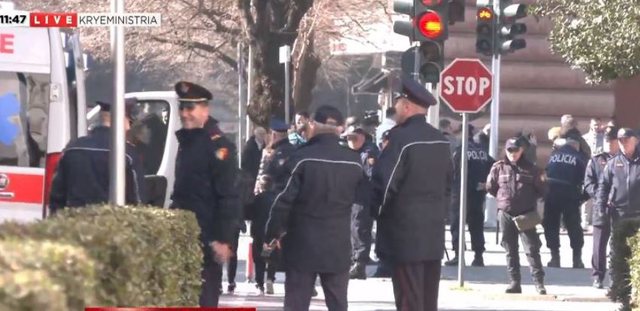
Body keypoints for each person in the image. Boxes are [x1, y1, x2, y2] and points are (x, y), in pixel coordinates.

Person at [264, 105, 364, 311]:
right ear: (340, 128)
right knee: (337, 303)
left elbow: (283, 201)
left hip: (302, 243)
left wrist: (271, 234)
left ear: (313, 125)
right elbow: (365, 202)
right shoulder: (353, 161)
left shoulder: (302, 158)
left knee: (296, 303)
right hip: (338, 244)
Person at [372, 74, 453, 311]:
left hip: (404, 234)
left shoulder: (400, 140)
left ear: (406, 106)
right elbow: (449, 185)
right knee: (428, 300)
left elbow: (385, 186)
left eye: (397, 102)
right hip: (433, 233)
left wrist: (374, 213)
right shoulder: (441, 140)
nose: (394, 107)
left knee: (409, 299)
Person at [168, 81, 241, 307]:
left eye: (190, 108)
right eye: (182, 108)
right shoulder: (189, 141)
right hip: (184, 235)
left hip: (207, 238)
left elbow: (229, 196)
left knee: (204, 299)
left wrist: (223, 239)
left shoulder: (219, 147)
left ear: (205, 110)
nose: (185, 114)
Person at [49, 98, 143, 213]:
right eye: (129, 121)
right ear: (119, 119)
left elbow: (57, 195)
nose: (129, 127)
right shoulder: (127, 153)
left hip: (74, 222)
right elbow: (138, 199)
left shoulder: (72, 148)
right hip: (111, 224)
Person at [486, 137, 547, 295]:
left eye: (516, 150)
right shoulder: (498, 167)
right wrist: (504, 201)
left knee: (532, 249)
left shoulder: (532, 169)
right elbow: (491, 187)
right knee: (510, 249)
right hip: (506, 213)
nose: (513, 153)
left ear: (522, 151)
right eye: (510, 150)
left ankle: (539, 283)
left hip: (525, 214)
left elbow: (543, 189)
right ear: (506, 150)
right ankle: (514, 282)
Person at [446, 130, 495, 267]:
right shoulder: (482, 152)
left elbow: (452, 169)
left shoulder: (460, 150)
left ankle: (458, 255)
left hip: (460, 191)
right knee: (476, 224)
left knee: (457, 224)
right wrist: (485, 183)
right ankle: (478, 256)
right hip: (478, 192)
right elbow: (493, 166)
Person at [542, 138, 587, 268]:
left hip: (551, 193)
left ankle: (554, 258)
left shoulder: (554, 156)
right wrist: (582, 197)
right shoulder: (578, 158)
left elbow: (547, 172)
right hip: (570, 195)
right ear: (576, 147)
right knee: (574, 227)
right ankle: (577, 259)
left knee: (551, 225)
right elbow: (585, 178)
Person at [584, 125, 619, 289]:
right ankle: (598, 276)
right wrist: (599, 196)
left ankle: (615, 276)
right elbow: (588, 182)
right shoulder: (596, 160)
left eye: (611, 142)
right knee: (599, 245)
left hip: (620, 207)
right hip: (601, 207)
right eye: (606, 141)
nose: (608, 145)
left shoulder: (624, 160)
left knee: (617, 243)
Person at [344, 126, 380, 279]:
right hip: (354, 197)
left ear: (362, 137)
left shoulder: (368, 153)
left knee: (359, 229)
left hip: (363, 197)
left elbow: (370, 176)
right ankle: (354, 261)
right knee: (353, 229)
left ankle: (360, 265)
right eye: (348, 138)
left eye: (353, 138)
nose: (350, 141)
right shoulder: (354, 151)